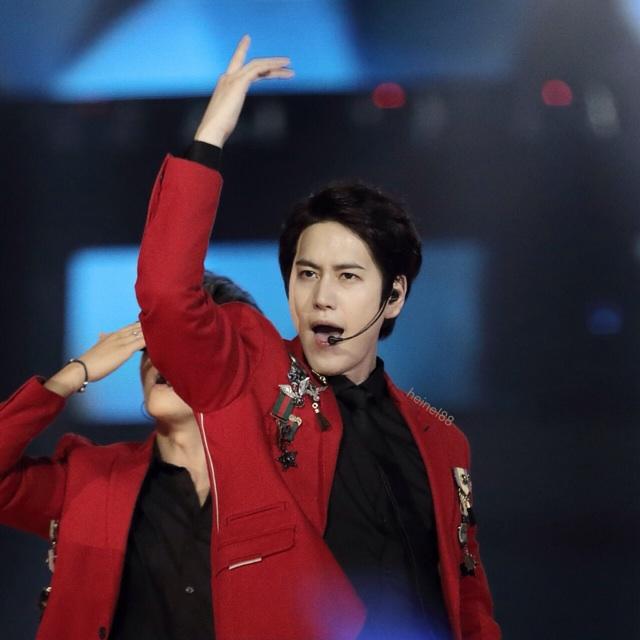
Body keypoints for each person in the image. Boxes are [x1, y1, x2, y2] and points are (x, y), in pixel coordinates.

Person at [135, 35, 501, 639]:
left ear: (394, 296)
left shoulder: (442, 439)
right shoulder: (250, 377)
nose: (321, 296)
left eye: (347, 276)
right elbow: (167, 297)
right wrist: (210, 138)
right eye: (307, 274)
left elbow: (469, 599)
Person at [0, 273, 261, 640]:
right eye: (153, 342)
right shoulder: (88, 477)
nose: (161, 357)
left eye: (188, 341)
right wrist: (73, 374)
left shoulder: (280, 489)